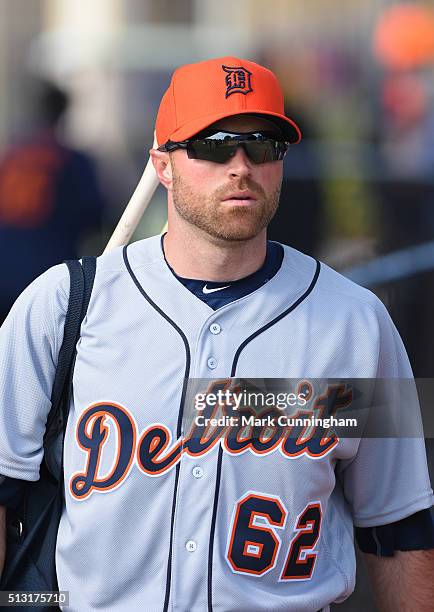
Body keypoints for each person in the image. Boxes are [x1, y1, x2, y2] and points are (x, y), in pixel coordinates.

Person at [0, 57, 433, 612]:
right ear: (163, 164)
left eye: (262, 145)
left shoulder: (357, 322)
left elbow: (398, 527)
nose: (241, 165)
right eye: (213, 144)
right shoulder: (63, 307)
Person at [0, 79, 105, 324]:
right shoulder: (71, 159)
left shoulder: (12, 156)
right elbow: (96, 215)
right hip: (46, 268)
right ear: (65, 111)